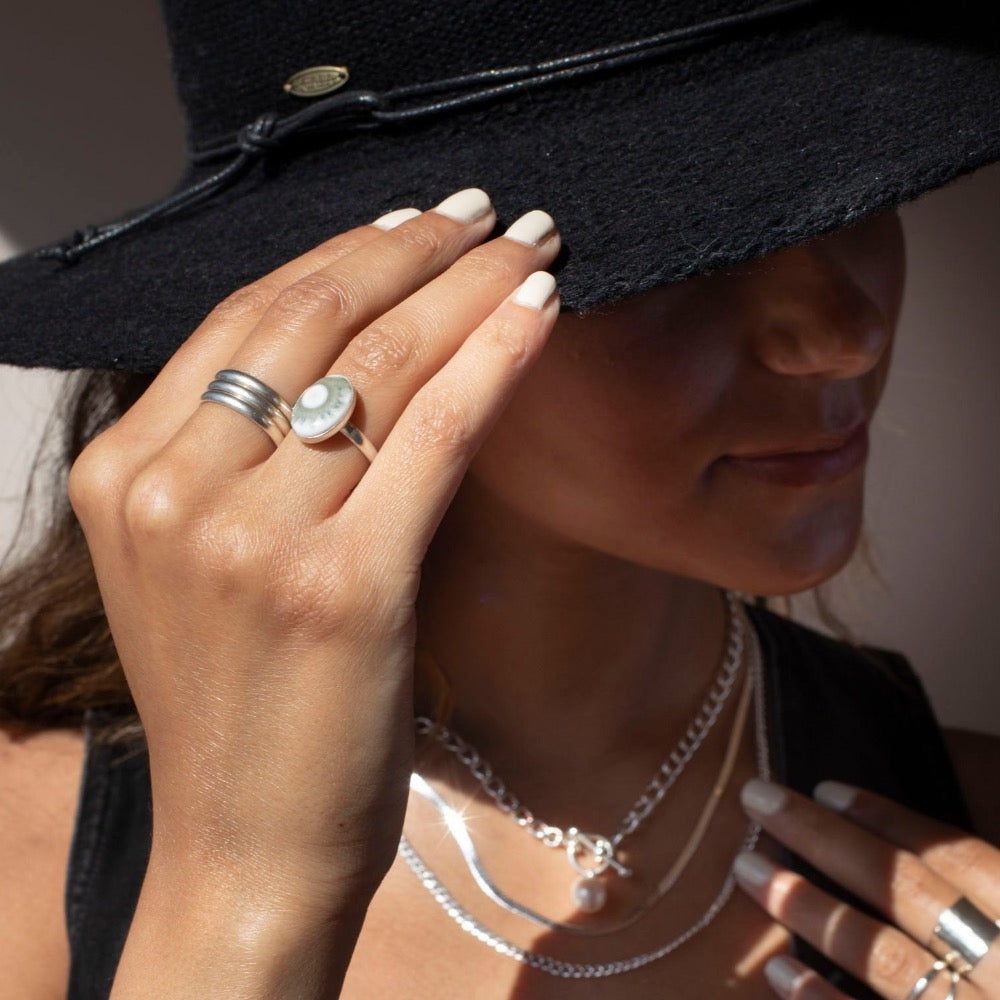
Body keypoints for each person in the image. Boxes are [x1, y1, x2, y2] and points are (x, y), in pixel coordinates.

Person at [1, 2, 999, 998]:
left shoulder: (974, 830)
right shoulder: (26, 854)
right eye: (688, 247)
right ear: (368, 301)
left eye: (854, 193)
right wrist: (243, 899)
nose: (840, 335)